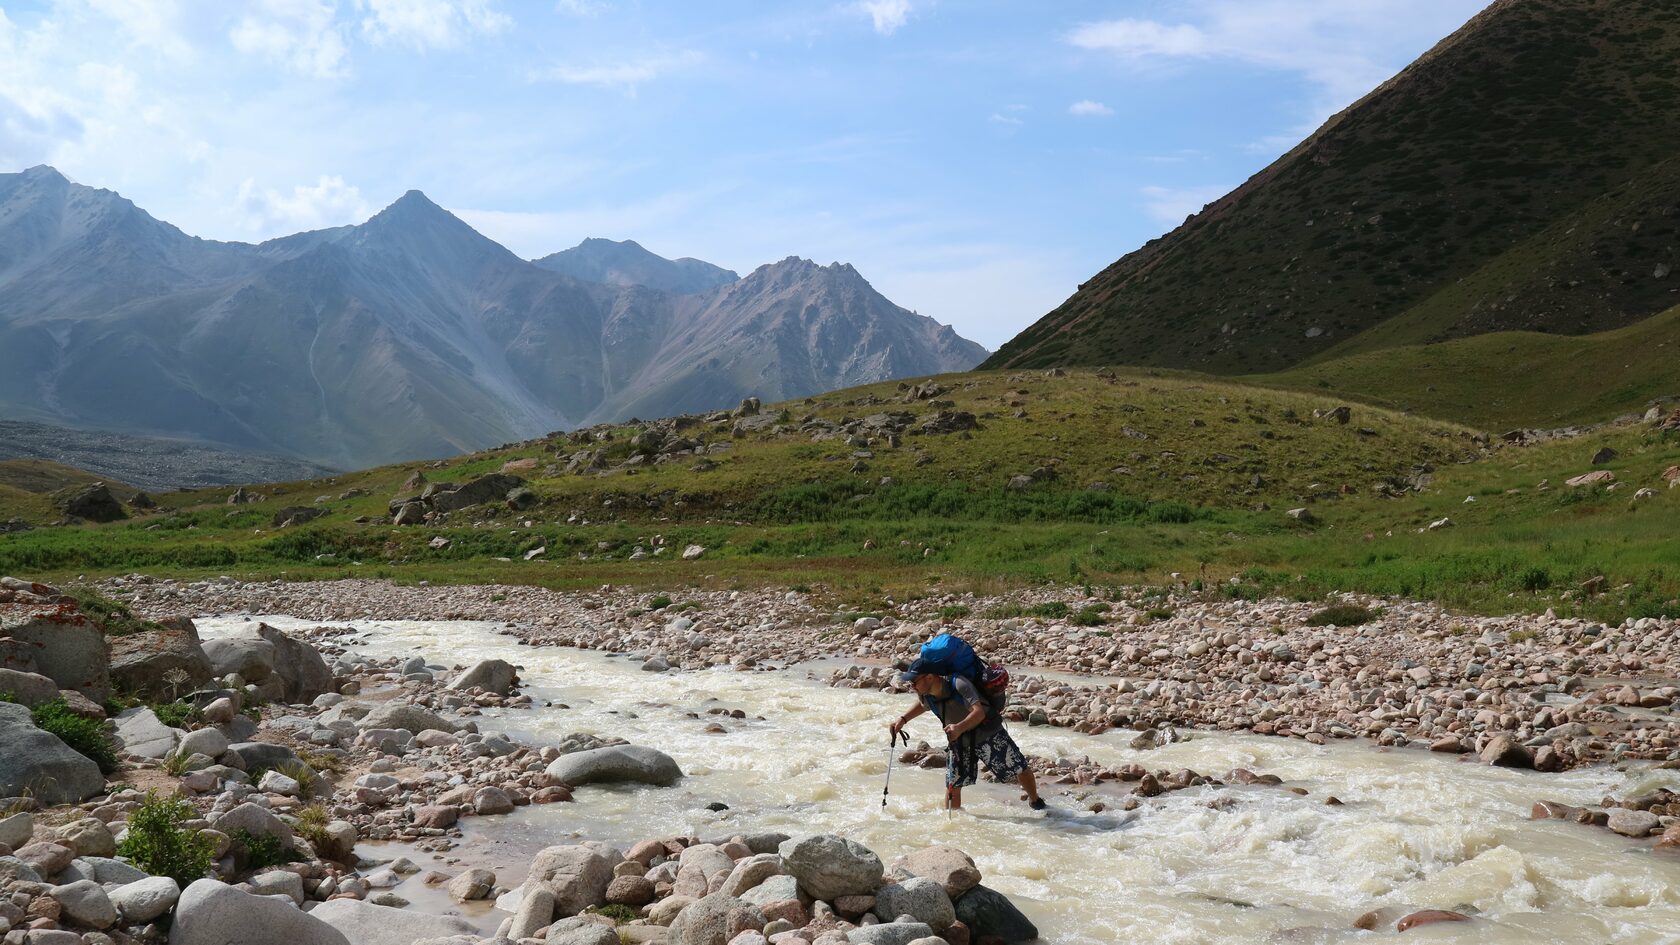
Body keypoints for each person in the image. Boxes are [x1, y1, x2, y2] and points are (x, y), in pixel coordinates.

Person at [889, 657, 1046, 811]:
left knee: (1019, 768)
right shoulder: (926, 694)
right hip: (959, 740)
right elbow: (924, 705)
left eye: (914, 681)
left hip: (988, 734)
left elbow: (978, 713)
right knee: (953, 785)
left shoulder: (958, 684)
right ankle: (953, 823)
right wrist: (902, 720)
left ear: (930, 677)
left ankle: (1035, 801)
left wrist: (958, 727)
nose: (912, 685)